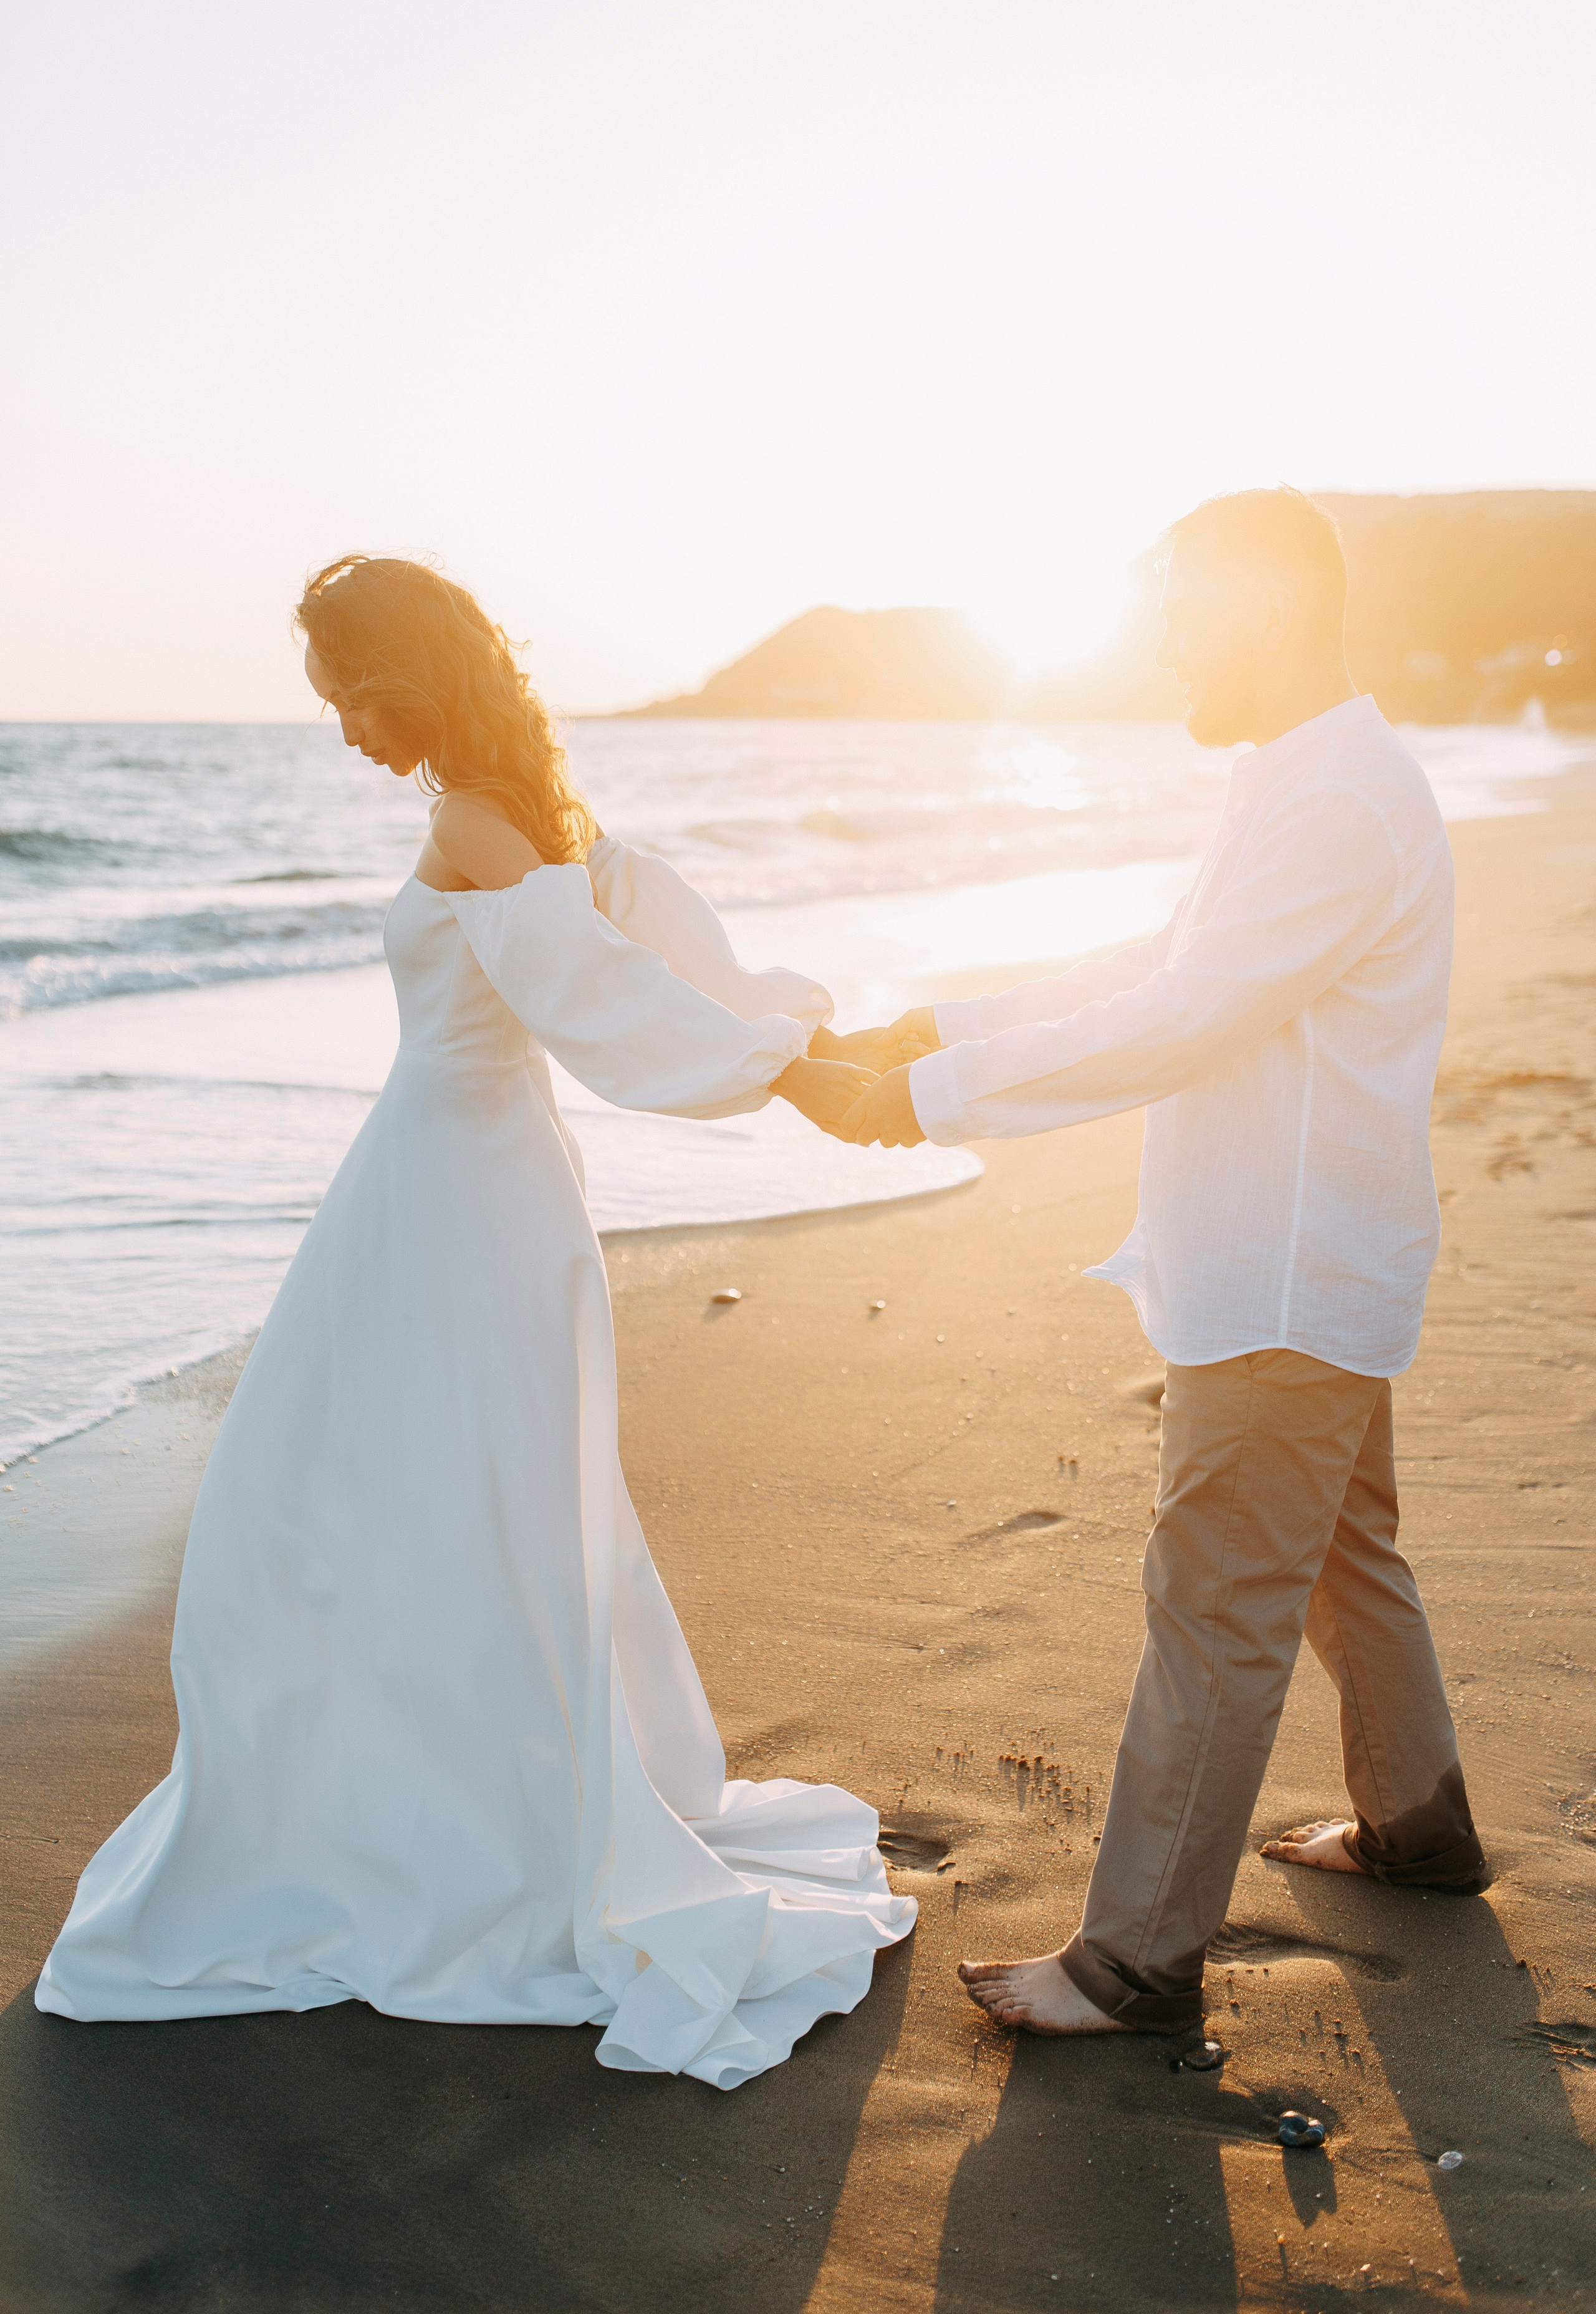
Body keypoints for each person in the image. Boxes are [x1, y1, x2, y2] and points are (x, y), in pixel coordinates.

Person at [36, 554, 916, 2087]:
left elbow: (604, 1001)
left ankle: (429, 1830)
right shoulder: (521, 807)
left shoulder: (474, 822)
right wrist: (786, 1037)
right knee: (415, 1504)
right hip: (457, 1186)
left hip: (451, 1199)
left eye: (353, 697)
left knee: (351, 1508)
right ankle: (427, 1801)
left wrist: (783, 1066)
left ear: (414, 678)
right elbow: (646, 943)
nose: (344, 730)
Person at [844, 488, 1484, 2037]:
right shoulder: (1305, 776)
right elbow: (1170, 963)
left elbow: (1182, 1017)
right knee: (1338, 1554)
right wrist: (953, 1022)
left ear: (1262, 607)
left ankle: (1131, 1961)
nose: (1166, 648)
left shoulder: (1334, 800)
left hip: (1281, 1281)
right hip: (1305, 1264)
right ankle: (1416, 1832)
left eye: (1183, 615)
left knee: (1214, 1610)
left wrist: (928, 1096)